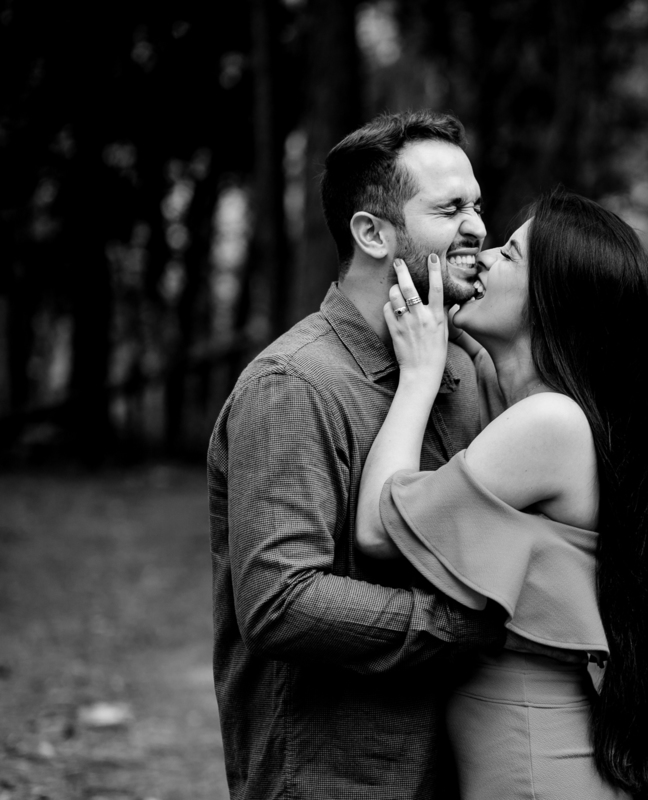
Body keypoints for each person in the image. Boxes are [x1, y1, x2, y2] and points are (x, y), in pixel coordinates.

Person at [354, 191, 648, 800]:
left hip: (537, 770)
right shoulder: (537, 410)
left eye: (511, 255)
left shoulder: (549, 422)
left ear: (554, 300)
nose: (484, 255)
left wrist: (418, 376)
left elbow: (375, 529)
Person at [207, 109, 507, 800]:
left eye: (477, 205)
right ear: (372, 234)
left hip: (460, 767)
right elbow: (282, 601)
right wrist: (463, 623)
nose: (477, 227)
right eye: (450, 209)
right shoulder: (293, 385)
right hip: (335, 775)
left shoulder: (466, 368)